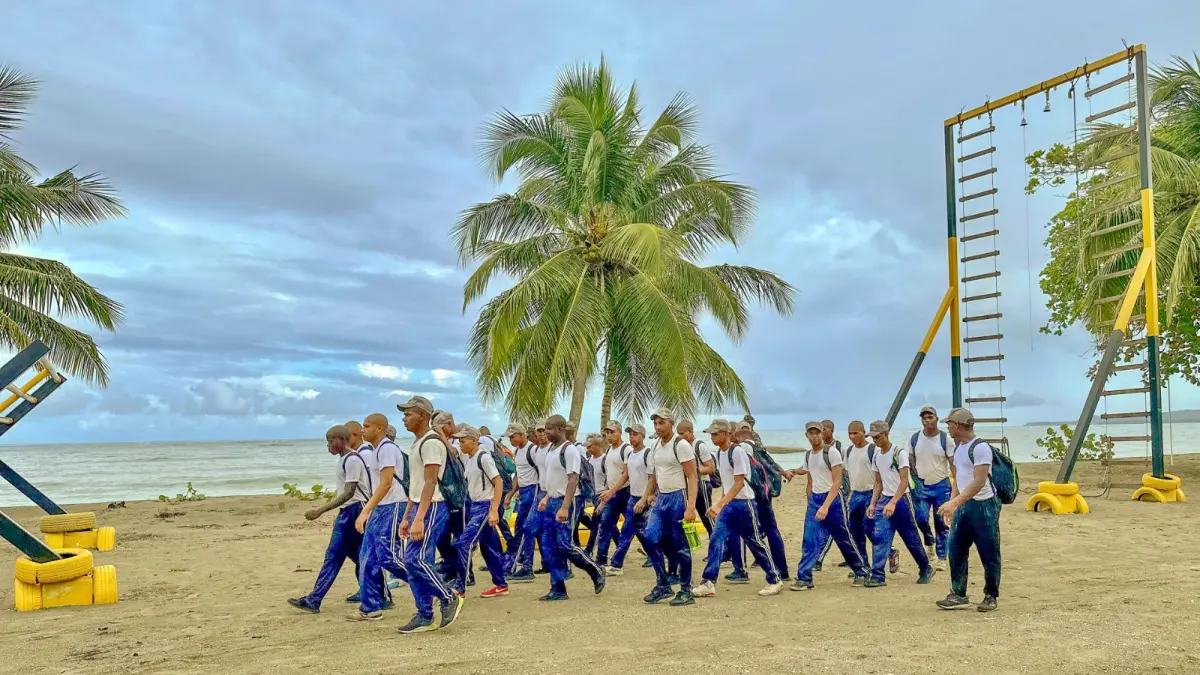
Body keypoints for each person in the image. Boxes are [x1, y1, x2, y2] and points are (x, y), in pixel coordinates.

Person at [288, 425, 374, 613]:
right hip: (349, 512)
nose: (328, 445)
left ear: (342, 440)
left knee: (336, 556)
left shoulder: (352, 460)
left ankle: (315, 600)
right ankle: (377, 597)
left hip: (353, 512)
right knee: (358, 557)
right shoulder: (345, 459)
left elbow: (349, 492)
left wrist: (321, 510)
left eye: (330, 441)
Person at [395, 396, 462, 633]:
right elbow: (416, 485)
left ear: (423, 415)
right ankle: (424, 613)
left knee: (417, 559)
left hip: (433, 507)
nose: (404, 418)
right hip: (422, 507)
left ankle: (448, 596)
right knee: (411, 562)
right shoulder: (419, 443)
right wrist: (407, 517)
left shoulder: (431, 443)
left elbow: (431, 482)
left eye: (408, 413)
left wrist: (420, 517)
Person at [693, 419, 782, 598]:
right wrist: (720, 503)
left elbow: (739, 483)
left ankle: (774, 579)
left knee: (755, 542)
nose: (712, 437)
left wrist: (720, 504)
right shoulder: (719, 453)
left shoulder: (737, 452)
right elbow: (727, 484)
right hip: (729, 505)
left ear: (726, 434)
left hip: (745, 505)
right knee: (716, 539)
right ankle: (708, 581)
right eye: (711, 434)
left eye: (715, 434)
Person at [935, 408, 1001, 613]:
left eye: (949, 424)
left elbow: (979, 481)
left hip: (984, 506)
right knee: (955, 549)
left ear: (958, 425)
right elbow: (959, 478)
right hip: (964, 504)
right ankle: (958, 593)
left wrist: (955, 503)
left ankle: (991, 595)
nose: (947, 427)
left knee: (988, 552)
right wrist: (953, 503)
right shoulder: (959, 448)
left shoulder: (980, 448)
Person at [536, 415, 605, 601]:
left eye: (549, 429)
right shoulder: (551, 449)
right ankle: (558, 588)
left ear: (560, 429)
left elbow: (572, 479)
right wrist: (547, 497)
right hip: (552, 501)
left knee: (565, 544)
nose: (546, 432)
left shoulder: (569, 451)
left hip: (566, 502)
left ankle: (595, 569)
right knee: (548, 546)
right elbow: (554, 477)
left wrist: (565, 506)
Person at [792, 421, 867, 591]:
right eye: (811, 433)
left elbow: (837, 481)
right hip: (816, 500)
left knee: (843, 538)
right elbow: (809, 473)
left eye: (817, 433)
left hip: (833, 500)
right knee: (809, 539)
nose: (815, 436)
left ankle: (861, 570)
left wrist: (825, 506)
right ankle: (804, 577)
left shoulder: (832, 453)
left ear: (822, 434)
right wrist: (794, 474)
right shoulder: (808, 455)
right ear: (807, 435)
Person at [347, 413, 407, 621]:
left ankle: (431, 583)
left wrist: (365, 510)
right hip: (380, 507)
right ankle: (370, 607)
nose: (363, 430)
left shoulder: (387, 449)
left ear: (380, 428)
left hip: (391, 507)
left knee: (387, 557)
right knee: (367, 558)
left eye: (367, 426)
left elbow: (386, 483)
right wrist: (371, 509)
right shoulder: (376, 451)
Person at [637, 408, 699, 607]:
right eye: (655, 423)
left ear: (670, 423)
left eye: (661, 423)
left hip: (678, 497)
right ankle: (663, 584)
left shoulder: (680, 445)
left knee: (681, 545)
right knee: (650, 538)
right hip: (661, 498)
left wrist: (690, 506)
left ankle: (685, 589)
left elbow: (692, 476)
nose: (658, 426)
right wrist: (646, 496)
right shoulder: (656, 445)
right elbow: (655, 473)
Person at [820, 421, 898, 575]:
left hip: (871, 494)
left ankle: (890, 552)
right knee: (854, 531)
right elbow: (846, 472)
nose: (852, 436)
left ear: (864, 433)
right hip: (855, 494)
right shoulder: (848, 451)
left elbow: (880, 475)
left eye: (855, 433)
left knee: (871, 529)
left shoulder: (873, 450)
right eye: (850, 433)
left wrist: (880, 497)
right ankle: (863, 565)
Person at [865, 421, 934, 588]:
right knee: (880, 537)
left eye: (877, 437)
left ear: (885, 434)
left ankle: (925, 567)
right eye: (872, 437)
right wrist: (873, 503)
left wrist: (894, 502)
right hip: (884, 500)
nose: (874, 440)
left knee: (910, 537)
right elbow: (878, 482)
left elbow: (904, 482)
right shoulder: (876, 455)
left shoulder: (899, 453)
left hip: (902, 500)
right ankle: (878, 575)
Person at [451, 425, 509, 599]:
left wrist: (493, 510)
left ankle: (459, 587)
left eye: (463, 441)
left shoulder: (483, 458)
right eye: (459, 441)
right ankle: (501, 584)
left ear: (474, 441)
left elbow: (497, 482)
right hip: (475, 506)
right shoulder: (470, 458)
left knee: (464, 544)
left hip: (484, 506)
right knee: (489, 547)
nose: (460, 444)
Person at [730, 421, 791, 583]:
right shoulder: (758, 446)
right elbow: (772, 466)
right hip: (765, 494)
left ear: (736, 434)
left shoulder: (742, 448)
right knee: (771, 531)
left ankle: (741, 570)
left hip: (754, 496)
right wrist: (784, 473)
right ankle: (782, 569)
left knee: (742, 532)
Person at [609, 423, 657, 575]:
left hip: (645, 499)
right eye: (630, 434)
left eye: (635, 434)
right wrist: (611, 491)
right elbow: (626, 475)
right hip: (633, 497)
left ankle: (657, 558)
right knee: (628, 530)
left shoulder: (647, 453)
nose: (632, 437)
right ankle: (617, 564)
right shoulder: (630, 454)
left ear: (642, 436)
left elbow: (652, 478)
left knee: (645, 532)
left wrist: (646, 498)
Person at [910, 406, 955, 570]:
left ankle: (942, 556)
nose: (927, 420)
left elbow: (952, 461)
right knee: (920, 518)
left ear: (936, 418)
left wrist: (957, 482)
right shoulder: (915, 438)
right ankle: (929, 540)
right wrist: (915, 476)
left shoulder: (945, 439)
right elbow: (910, 457)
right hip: (921, 485)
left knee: (941, 522)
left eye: (930, 417)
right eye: (924, 417)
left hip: (941, 484)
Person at [507, 423, 543, 583]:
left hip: (534, 490)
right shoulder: (517, 451)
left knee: (528, 529)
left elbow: (543, 471)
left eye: (513, 437)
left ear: (522, 435)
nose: (511, 440)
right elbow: (518, 475)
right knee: (521, 527)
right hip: (523, 492)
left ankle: (527, 566)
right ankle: (523, 559)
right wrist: (511, 493)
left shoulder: (532, 450)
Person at [594, 421, 630, 570]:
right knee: (605, 525)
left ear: (619, 432)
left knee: (635, 527)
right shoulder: (609, 450)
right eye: (607, 433)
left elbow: (626, 474)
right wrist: (605, 498)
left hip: (625, 492)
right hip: (612, 494)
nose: (609, 435)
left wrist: (612, 491)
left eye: (612, 432)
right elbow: (610, 475)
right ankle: (601, 559)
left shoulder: (626, 449)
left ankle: (653, 553)